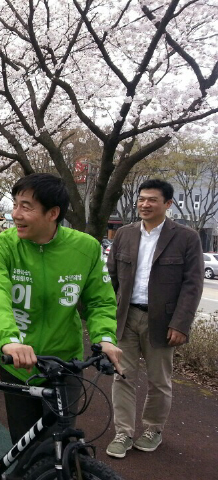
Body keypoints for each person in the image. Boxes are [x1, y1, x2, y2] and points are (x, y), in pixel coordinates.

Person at [0, 173, 122, 470]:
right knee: (26, 448)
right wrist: (9, 339)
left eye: (26, 206)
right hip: (16, 363)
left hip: (64, 364)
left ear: (53, 213)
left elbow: (100, 300)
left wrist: (105, 338)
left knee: (60, 444)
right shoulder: (2, 246)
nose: (15, 214)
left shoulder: (85, 247)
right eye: (15, 204)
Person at [105, 179, 203, 459]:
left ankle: (153, 429)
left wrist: (181, 323)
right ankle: (123, 432)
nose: (145, 204)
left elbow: (192, 284)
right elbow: (110, 279)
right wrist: (104, 317)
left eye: (152, 200)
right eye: (142, 199)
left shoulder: (186, 237)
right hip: (126, 317)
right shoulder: (124, 234)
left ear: (168, 204)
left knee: (159, 381)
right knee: (122, 376)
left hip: (162, 321)